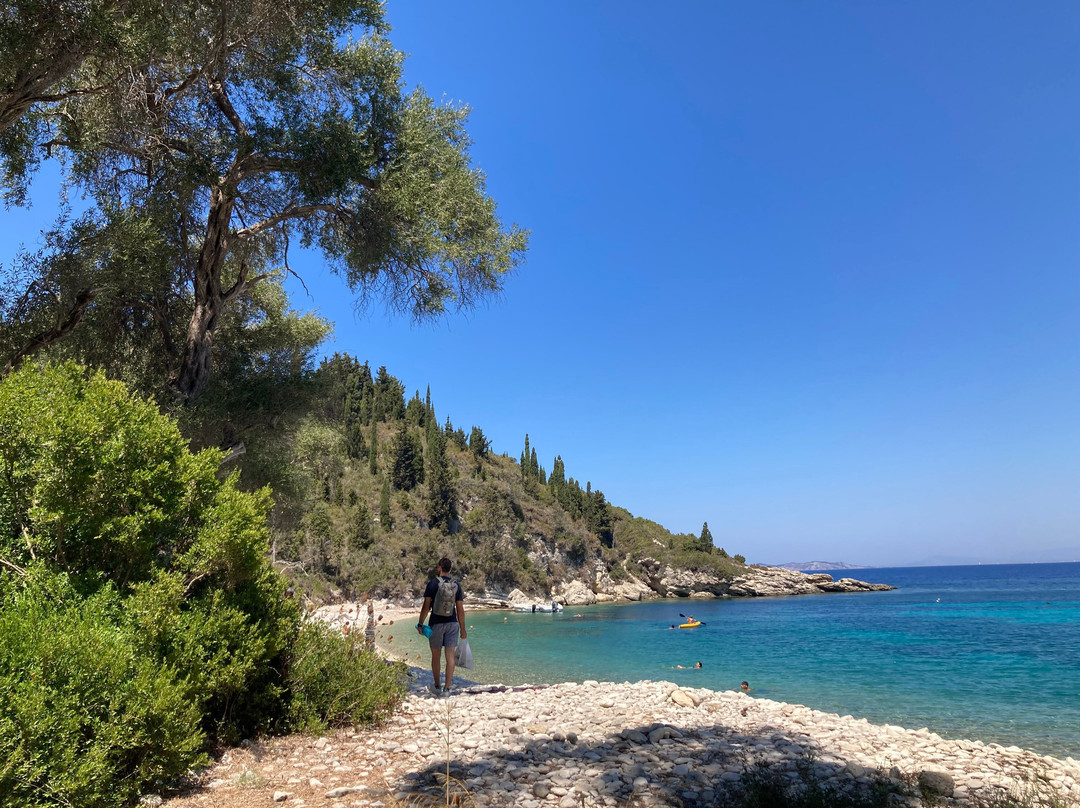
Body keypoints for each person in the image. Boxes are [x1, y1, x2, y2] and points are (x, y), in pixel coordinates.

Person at [417, 556, 466, 696]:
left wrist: (420, 623)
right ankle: (447, 688)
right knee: (450, 656)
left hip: (436, 624)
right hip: (452, 624)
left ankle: (437, 686)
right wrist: (462, 628)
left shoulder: (432, 584)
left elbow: (426, 607)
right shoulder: (456, 585)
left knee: (436, 656)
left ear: (439, 568)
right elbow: (460, 609)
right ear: (450, 569)